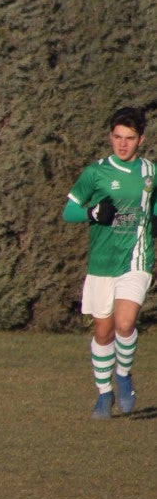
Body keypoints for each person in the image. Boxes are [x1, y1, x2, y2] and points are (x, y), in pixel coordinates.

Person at [63, 105, 155, 419]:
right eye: (117, 137)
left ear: (141, 139)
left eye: (129, 138)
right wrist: (90, 213)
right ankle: (104, 395)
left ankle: (124, 376)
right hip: (102, 264)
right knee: (103, 332)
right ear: (110, 137)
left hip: (136, 259)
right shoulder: (95, 172)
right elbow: (69, 210)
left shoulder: (150, 173)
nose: (122, 144)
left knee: (125, 323)